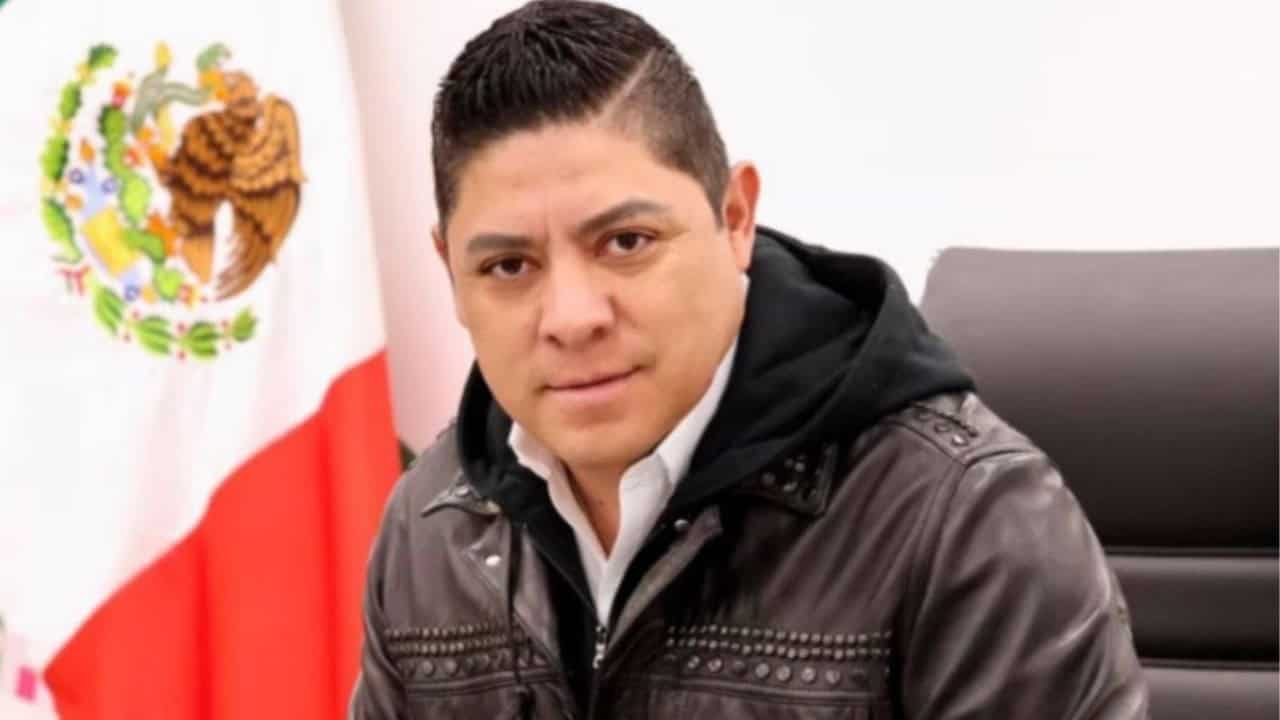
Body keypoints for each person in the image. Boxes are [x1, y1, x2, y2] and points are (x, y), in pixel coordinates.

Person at [350, 1, 1149, 717]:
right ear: (449, 270)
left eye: (626, 243)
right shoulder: (432, 524)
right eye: (508, 266)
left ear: (735, 218)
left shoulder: (966, 521)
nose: (572, 318)